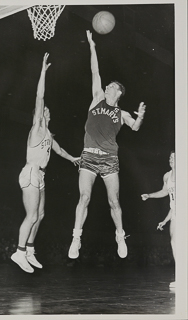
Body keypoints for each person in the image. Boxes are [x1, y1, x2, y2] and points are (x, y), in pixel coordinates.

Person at [68, 30, 146, 260]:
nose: (107, 88)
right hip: (89, 156)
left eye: (111, 86)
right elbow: (95, 70)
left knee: (114, 201)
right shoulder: (96, 99)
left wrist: (140, 116)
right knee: (84, 197)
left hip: (110, 158)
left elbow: (135, 127)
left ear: (118, 92)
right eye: (107, 85)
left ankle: (120, 235)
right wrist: (92, 45)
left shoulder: (121, 113)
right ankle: (76, 237)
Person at [11, 53, 80, 273]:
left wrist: (73, 159)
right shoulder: (38, 128)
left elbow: (58, 149)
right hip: (30, 172)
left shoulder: (48, 135)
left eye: (46, 111)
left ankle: (29, 249)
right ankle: (19, 252)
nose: (46, 110)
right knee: (31, 215)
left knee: (40, 215)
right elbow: (40, 97)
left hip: (40, 175)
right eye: (43, 111)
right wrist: (43, 71)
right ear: (39, 116)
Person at [141, 151, 175, 288]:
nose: (171, 159)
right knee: (174, 241)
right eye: (170, 157)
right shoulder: (167, 176)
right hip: (175, 211)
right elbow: (164, 192)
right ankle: (181, 275)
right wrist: (149, 195)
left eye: (174, 157)